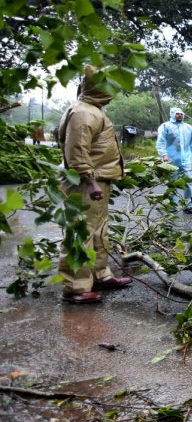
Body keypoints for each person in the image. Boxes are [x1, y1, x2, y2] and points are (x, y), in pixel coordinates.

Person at [56, 67, 132, 304]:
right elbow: (77, 151)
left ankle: (99, 274)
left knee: (98, 232)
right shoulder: (83, 113)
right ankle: (75, 287)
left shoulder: (91, 110)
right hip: (84, 183)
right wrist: (89, 181)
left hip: (95, 180)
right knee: (80, 233)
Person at [155, 107, 192, 212]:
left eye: (181, 114)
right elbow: (161, 142)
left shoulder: (188, 128)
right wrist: (164, 155)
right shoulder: (165, 127)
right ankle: (172, 205)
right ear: (172, 114)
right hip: (171, 160)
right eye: (177, 114)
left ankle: (188, 205)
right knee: (172, 182)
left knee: (190, 181)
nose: (180, 115)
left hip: (186, 159)